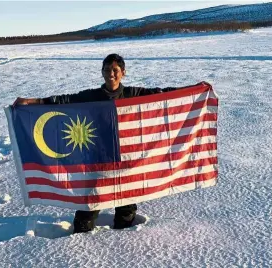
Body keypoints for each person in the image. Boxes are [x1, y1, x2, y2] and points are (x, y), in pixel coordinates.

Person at [14, 53, 177, 233]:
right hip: (97, 160)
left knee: (126, 203)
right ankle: (80, 237)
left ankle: (126, 240)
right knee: (90, 202)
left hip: (126, 160)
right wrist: (33, 101)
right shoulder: (93, 96)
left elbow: (161, 94)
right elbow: (65, 100)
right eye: (107, 70)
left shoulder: (133, 93)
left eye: (115, 70)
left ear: (123, 72)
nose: (111, 74)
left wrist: (194, 90)